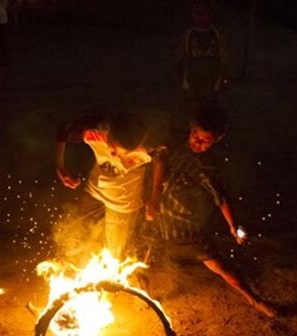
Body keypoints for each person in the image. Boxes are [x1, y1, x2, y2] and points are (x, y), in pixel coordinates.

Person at [155, 105, 275, 318]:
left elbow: (220, 198)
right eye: (194, 135)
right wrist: (153, 198)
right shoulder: (173, 141)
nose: (196, 143)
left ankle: (255, 301)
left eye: (204, 141)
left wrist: (232, 226)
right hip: (161, 219)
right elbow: (159, 158)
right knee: (152, 258)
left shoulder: (207, 166)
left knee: (221, 267)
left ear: (217, 139)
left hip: (186, 227)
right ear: (191, 128)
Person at [55, 112, 163, 258]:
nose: (115, 155)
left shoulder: (148, 145)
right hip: (95, 191)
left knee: (115, 254)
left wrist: (154, 196)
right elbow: (63, 131)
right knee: (77, 238)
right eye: (113, 148)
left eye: (124, 153)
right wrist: (60, 166)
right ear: (109, 133)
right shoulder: (94, 132)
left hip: (123, 203)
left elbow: (161, 159)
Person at [177, 0, 230, 110]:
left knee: (209, 107)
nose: (199, 17)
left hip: (211, 77)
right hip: (192, 77)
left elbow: (223, 56)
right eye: (196, 13)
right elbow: (181, 56)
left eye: (203, 13)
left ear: (209, 14)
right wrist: (180, 73)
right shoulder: (188, 34)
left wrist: (225, 75)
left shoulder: (216, 34)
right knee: (193, 106)